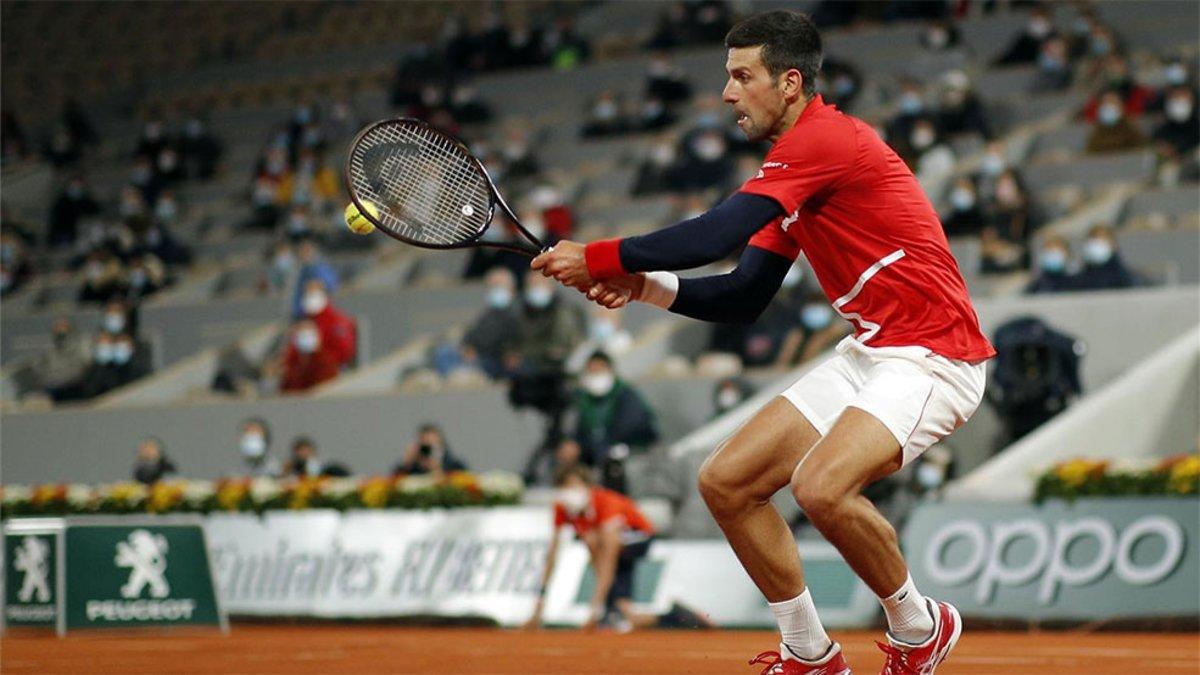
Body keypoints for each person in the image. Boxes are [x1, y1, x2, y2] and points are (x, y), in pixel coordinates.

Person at [533, 11, 992, 673]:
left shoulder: (825, 140)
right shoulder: (795, 173)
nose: (727, 93)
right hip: (874, 351)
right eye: (728, 76)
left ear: (790, 82)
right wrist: (643, 286)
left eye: (742, 76)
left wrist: (601, 256)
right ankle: (809, 651)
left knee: (821, 487)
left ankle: (920, 627)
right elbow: (745, 291)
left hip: (936, 353)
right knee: (726, 481)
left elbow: (716, 234)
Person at [525, 464, 683, 633]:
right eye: (564, 486)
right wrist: (539, 604)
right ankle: (676, 617)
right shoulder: (562, 508)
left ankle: (610, 609)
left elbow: (608, 560)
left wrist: (594, 610)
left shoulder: (607, 504)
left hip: (637, 537)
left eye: (574, 485)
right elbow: (553, 554)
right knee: (626, 609)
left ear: (588, 487)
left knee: (595, 543)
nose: (569, 492)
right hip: (607, 544)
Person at [569, 351, 659, 494]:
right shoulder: (584, 399)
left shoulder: (625, 394)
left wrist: (603, 447)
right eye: (592, 371)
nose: (596, 375)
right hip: (596, 459)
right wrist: (577, 445)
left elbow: (633, 426)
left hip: (629, 455)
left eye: (600, 370)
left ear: (610, 370)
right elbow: (581, 432)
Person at [1070, 225, 1138, 291]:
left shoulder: (1126, 279)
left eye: (1103, 239)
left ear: (1113, 245)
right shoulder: (1077, 279)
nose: (1098, 244)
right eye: (1094, 239)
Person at [391, 423, 468, 477]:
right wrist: (406, 464)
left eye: (432, 446)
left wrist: (437, 470)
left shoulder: (455, 465)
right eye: (425, 446)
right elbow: (393, 484)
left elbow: (464, 486)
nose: (428, 451)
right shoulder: (411, 468)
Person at [282, 436, 350, 478]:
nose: (304, 454)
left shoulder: (330, 470)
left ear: (313, 452)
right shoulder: (293, 470)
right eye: (300, 451)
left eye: (307, 451)